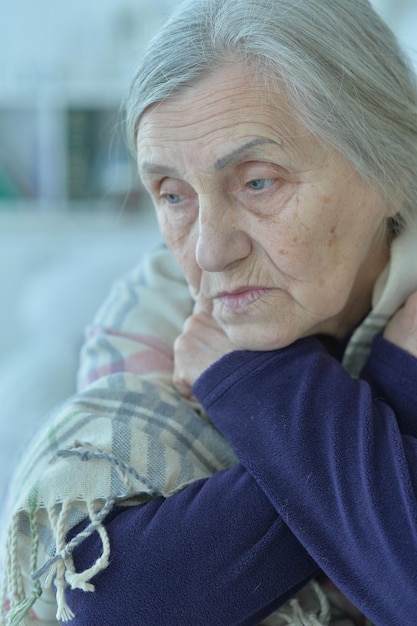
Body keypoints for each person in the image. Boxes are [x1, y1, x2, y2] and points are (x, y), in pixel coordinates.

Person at [2, 0, 417, 624]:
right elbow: (113, 599)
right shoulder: (153, 314)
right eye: (173, 194)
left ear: (393, 167)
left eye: (258, 182)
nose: (209, 250)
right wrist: (377, 389)